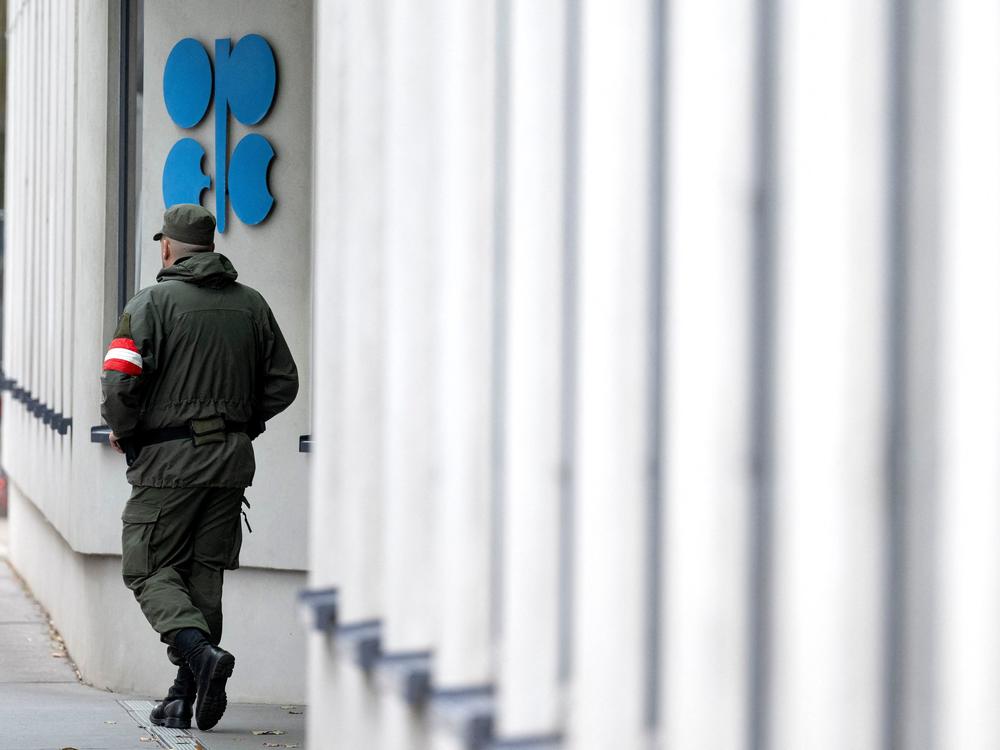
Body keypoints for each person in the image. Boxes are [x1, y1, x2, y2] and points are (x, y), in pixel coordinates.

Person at [101, 204, 298, 731]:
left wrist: (127, 433)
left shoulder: (150, 305)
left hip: (168, 463)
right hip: (231, 465)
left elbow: (120, 382)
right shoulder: (252, 305)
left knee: (146, 567)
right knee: (202, 576)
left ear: (167, 247)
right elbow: (284, 381)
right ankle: (184, 693)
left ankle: (198, 654)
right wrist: (240, 426)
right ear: (208, 247)